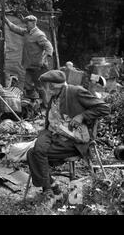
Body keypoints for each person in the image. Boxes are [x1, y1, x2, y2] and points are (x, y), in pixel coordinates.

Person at [26, 70, 110, 203]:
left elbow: (104, 108)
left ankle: (51, 191)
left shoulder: (75, 92)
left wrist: (81, 116)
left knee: (34, 154)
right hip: (55, 135)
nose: (43, 89)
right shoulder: (55, 96)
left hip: (74, 139)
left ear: (53, 86)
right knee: (34, 152)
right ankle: (52, 188)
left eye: (45, 86)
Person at [2, 14, 54, 100]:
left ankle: (46, 106)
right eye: (25, 23)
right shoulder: (26, 32)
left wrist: (45, 57)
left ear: (34, 23)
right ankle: (32, 104)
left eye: (28, 23)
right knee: (28, 86)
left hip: (38, 66)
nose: (26, 25)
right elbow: (14, 28)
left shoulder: (39, 34)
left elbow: (49, 47)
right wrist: (6, 20)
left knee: (40, 87)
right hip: (28, 65)